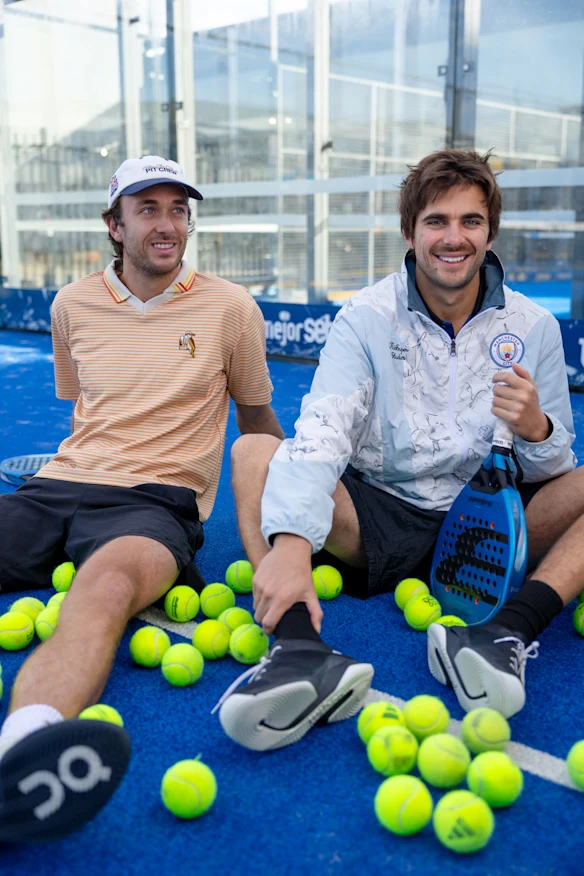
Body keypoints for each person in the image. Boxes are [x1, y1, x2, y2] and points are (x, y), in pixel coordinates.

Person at [217, 149, 581, 753]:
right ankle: (299, 649)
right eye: (437, 221)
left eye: (470, 221)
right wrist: (288, 546)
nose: (454, 238)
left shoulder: (535, 325)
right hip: (376, 517)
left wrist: (538, 429)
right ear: (410, 233)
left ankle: (503, 635)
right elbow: (322, 432)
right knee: (255, 451)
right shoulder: (364, 318)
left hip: (488, 526)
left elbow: (554, 472)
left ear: (490, 231)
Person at [0, 155, 283, 842]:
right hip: (60, 484)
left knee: (104, 588)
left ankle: (20, 757)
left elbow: (258, 422)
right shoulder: (72, 304)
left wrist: (297, 508)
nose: (167, 224)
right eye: (148, 209)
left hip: (156, 503)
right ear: (114, 225)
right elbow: (83, 409)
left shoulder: (231, 309)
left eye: (178, 209)